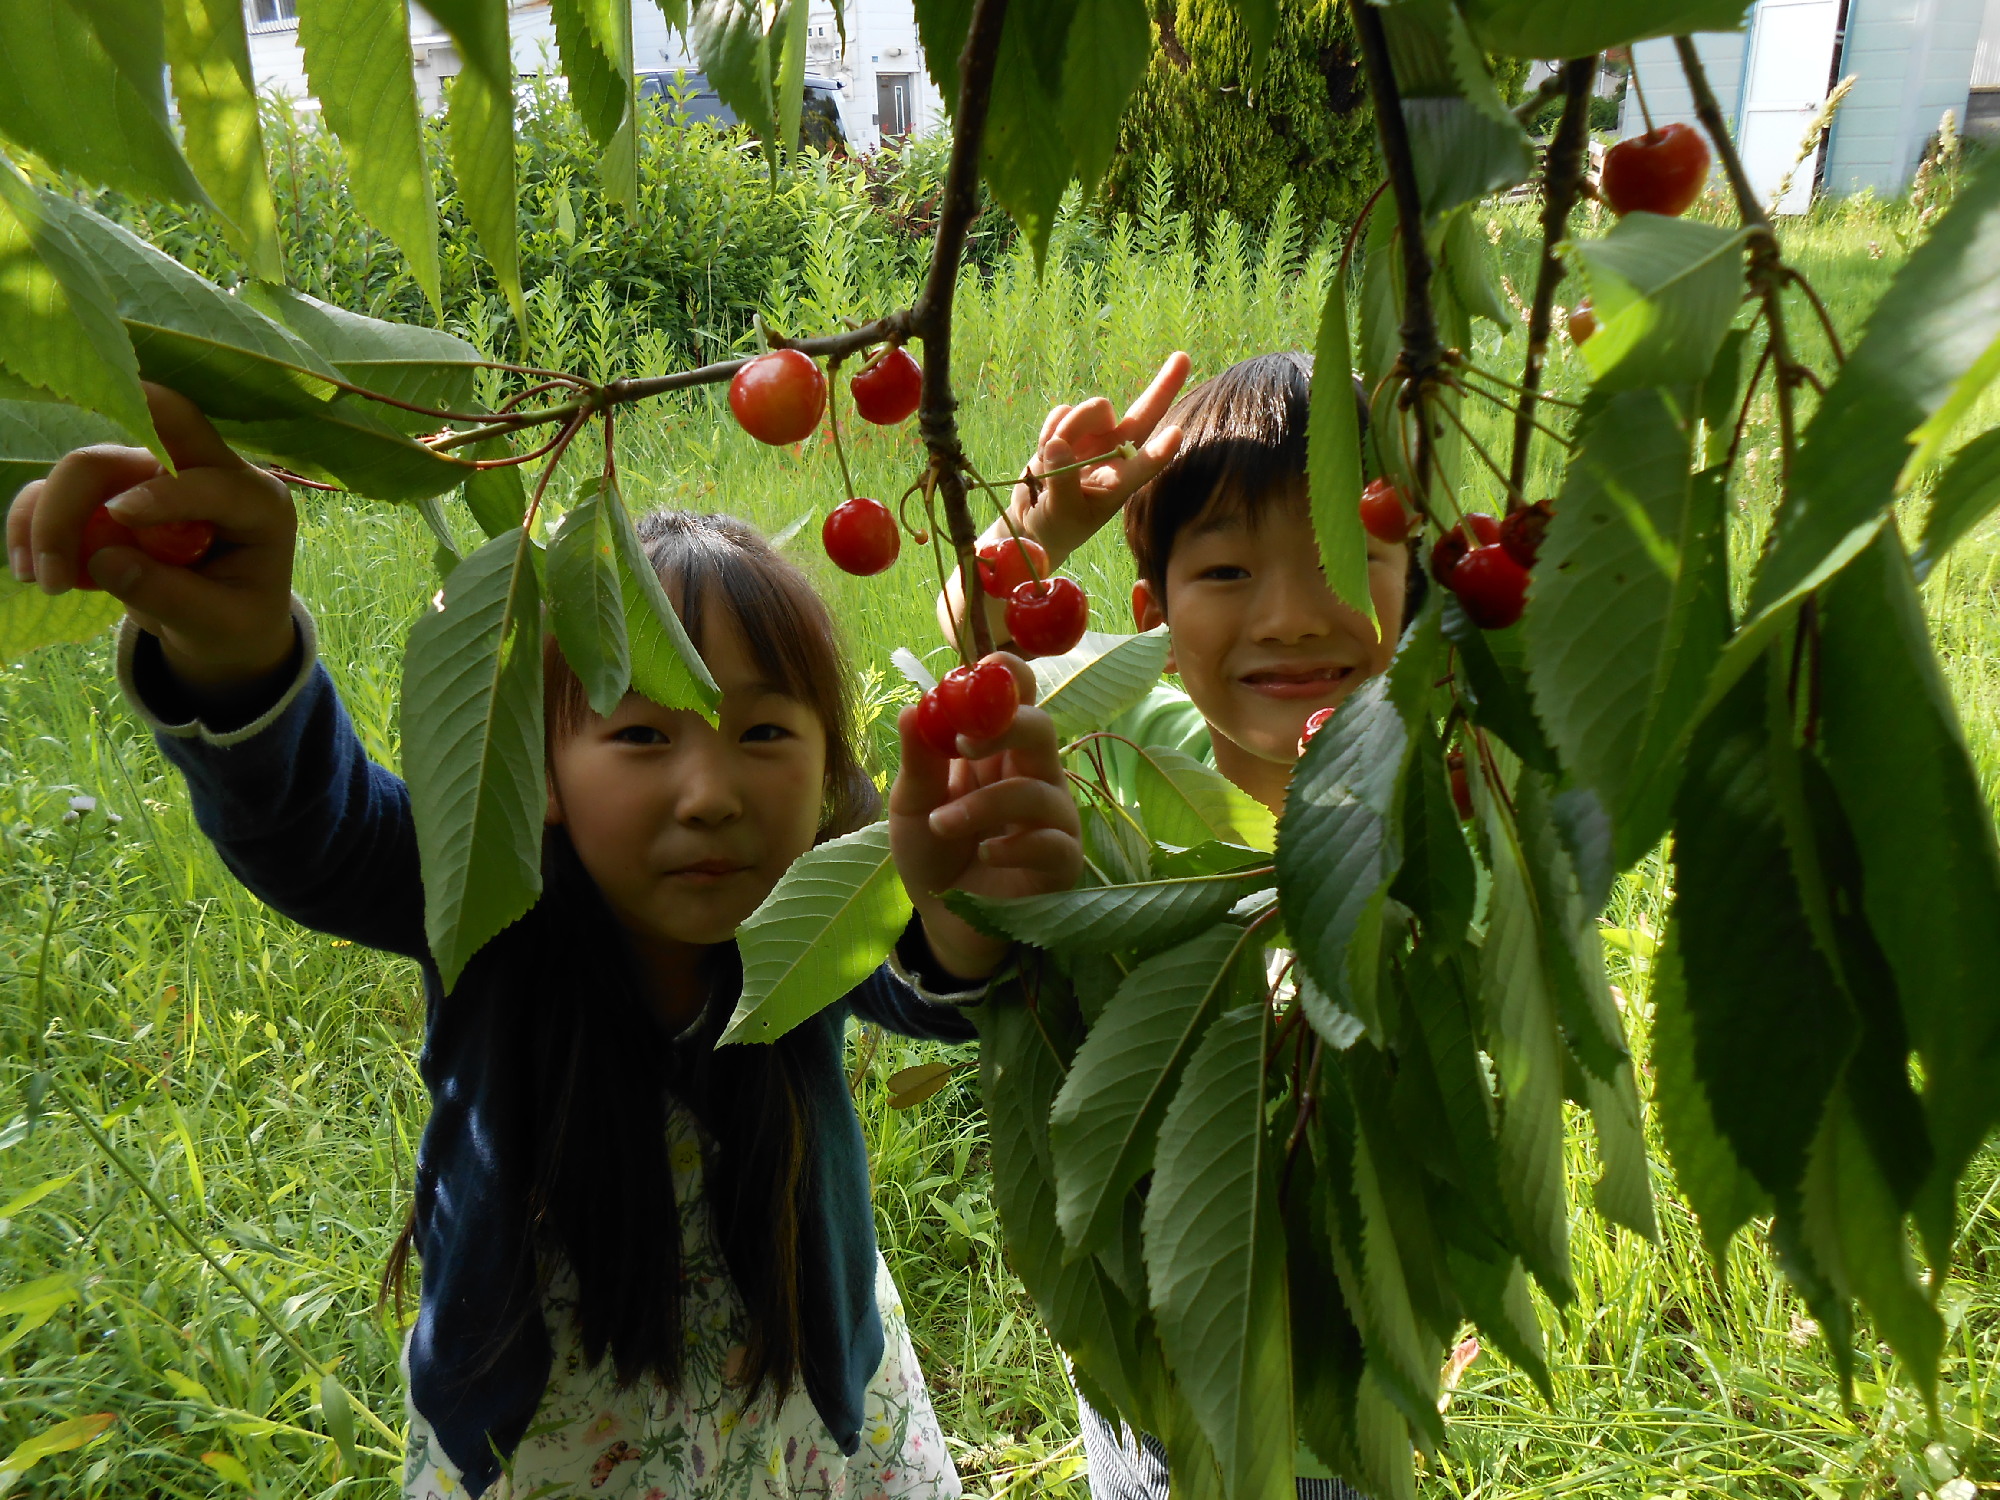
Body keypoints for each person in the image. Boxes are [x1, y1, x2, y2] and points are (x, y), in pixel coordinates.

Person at [10, 386, 1086, 1500]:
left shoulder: (804, 896)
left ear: (824, 769)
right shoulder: (492, 895)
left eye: (763, 730)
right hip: (556, 1435)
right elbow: (314, 831)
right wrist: (239, 660)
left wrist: (959, 929)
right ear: (540, 772)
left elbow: (908, 972)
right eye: (637, 733)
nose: (709, 791)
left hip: (797, 1400)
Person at [939, 349, 1419, 1500]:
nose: (1295, 616)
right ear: (1150, 613)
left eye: (1351, 557)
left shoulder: (1440, 784)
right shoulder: (1131, 737)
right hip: (1154, 1353)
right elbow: (978, 663)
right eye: (1226, 570)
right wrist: (1028, 537)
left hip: (1348, 1361)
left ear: (1421, 581)